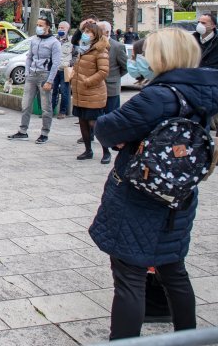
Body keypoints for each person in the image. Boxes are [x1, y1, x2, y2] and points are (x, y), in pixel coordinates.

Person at [89, 28, 218, 340]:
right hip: (179, 196)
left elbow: (106, 130)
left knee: (130, 278)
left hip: (139, 197)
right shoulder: (203, 93)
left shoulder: (157, 97)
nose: (142, 59)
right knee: (174, 271)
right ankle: (188, 336)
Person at [8, 17, 61, 144]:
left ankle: (44, 133)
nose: (38, 27)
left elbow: (56, 63)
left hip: (44, 75)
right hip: (31, 75)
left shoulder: (54, 43)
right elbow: (29, 57)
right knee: (25, 104)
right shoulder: (34, 40)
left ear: (47, 27)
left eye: (41, 25)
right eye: (37, 24)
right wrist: (27, 72)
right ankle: (22, 131)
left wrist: (50, 81)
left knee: (45, 107)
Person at [70, 22, 109, 161]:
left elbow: (103, 72)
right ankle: (88, 150)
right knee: (83, 123)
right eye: (84, 31)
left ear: (95, 35)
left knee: (95, 123)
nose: (85, 34)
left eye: (88, 32)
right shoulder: (83, 49)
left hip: (93, 93)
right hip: (80, 93)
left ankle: (106, 151)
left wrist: (87, 81)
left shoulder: (100, 51)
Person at [98, 21, 128, 163]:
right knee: (100, 120)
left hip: (111, 89)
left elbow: (125, 67)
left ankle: (116, 144)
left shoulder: (117, 47)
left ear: (107, 32)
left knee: (111, 119)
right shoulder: (94, 46)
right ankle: (105, 151)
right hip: (97, 89)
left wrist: (114, 79)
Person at [52, 21, 73, 120]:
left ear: (67, 29)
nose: (60, 29)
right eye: (59, 27)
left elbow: (76, 55)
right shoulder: (54, 40)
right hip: (54, 69)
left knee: (64, 92)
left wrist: (70, 64)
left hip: (65, 70)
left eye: (63, 28)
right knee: (53, 90)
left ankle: (62, 112)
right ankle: (51, 110)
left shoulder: (72, 41)